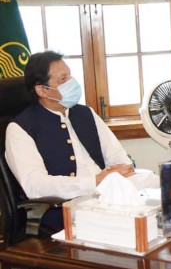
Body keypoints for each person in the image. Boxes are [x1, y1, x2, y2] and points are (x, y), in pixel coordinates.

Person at [5, 51, 159, 237]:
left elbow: (119, 158)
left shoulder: (86, 114)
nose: (72, 82)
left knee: (156, 183)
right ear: (42, 90)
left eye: (70, 75)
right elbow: (35, 186)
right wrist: (94, 181)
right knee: (137, 220)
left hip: (107, 191)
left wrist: (118, 174)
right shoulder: (20, 128)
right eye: (63, 79)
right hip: (69, 204)